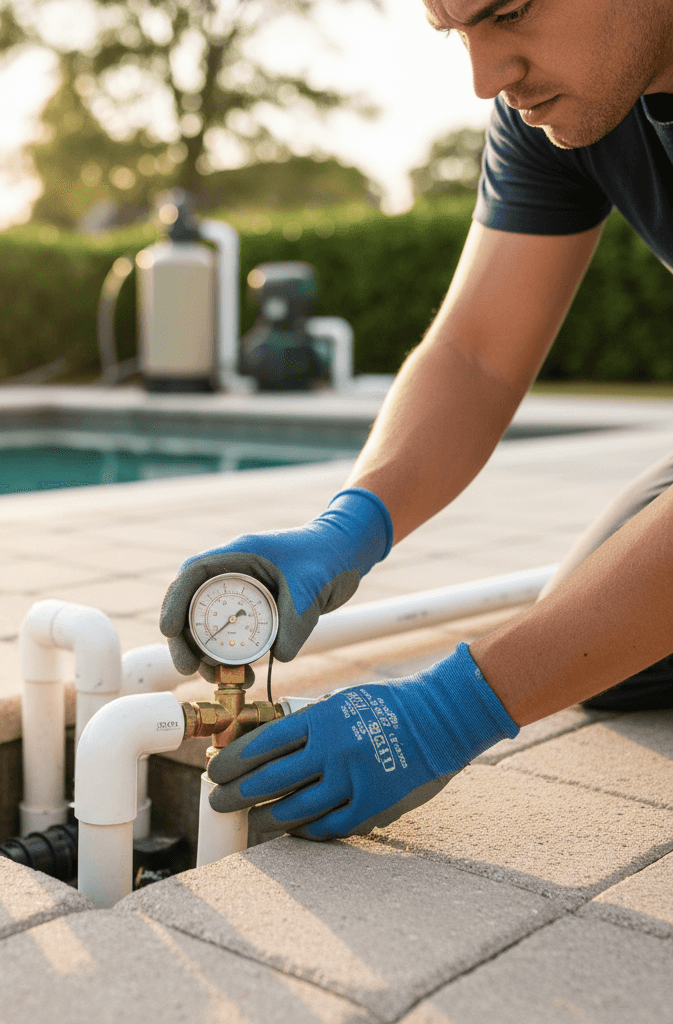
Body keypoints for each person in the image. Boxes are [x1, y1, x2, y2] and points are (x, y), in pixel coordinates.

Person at [159, 0, 673, 840]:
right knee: (610, 654)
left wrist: (452, 710)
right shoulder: (548, 107)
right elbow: (477, 353)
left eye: (510, 12)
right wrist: (349, 523)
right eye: (457, 32)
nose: (486, 78)